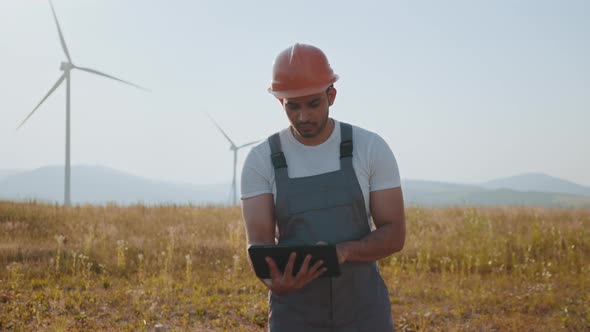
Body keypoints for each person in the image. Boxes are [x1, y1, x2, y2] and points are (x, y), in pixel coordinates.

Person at [240, 43, 406, 332]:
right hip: (294, 313)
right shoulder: (260, 160)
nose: (303, 116)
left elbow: (394, 234)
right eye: (293, 105)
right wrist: (273, 282)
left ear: (331, 95)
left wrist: (343, 251)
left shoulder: (369, 148)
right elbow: (258, 244)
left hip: (364, 312)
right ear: (281, 102)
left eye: (313, 103)